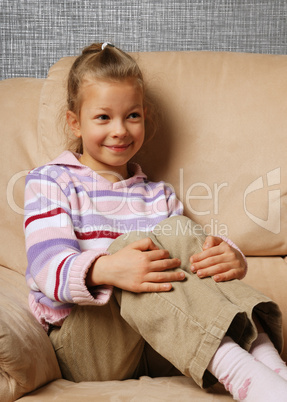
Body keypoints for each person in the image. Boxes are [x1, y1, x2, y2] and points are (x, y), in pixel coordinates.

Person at [24, 42, 287, 401]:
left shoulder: (158, 194)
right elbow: (44, 266)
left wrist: (231, 257)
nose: (120, 130)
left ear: (145, 117)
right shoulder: (51, 181)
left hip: (166, 343)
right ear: (75, 122)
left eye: (132, 116)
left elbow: (191, 272)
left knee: (177, 232)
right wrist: (109, 269)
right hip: (91, 348)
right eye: (103, 117)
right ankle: (245, 377)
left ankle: (274, 372)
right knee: (129, 250)